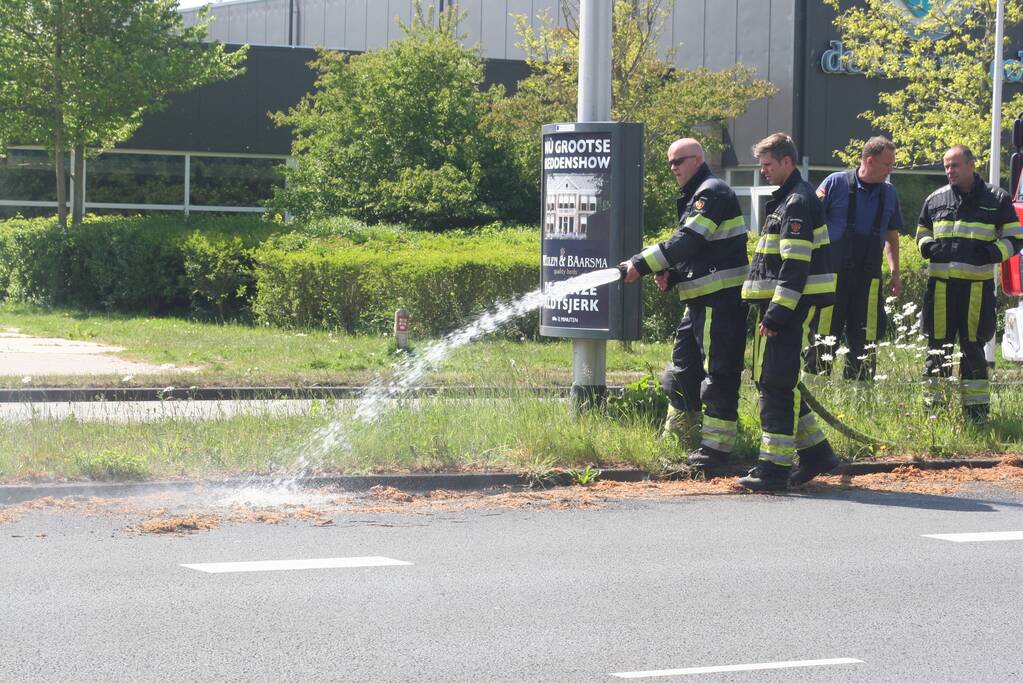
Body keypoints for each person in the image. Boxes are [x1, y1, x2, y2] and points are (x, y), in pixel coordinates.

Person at [619, 138, 748, 472]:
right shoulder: (695, 195)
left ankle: (716, 452)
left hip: (720, 302)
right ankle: (681, 437)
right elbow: (698, 251)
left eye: (679, 161)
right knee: (682, 370)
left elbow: (690, 239)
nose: (673, 168)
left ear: (698, 159)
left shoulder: (712, 192)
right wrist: (673, 273)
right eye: (669, 163)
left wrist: (640, 263)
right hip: (700, 302)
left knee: (718, 374)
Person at [739, 133, 838, 491]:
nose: (763, 171)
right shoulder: (788, 199)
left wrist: (776, 314)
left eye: (767, 164)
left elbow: (794, 265)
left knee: (776, 385)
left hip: (788, 309)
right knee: (779, 381)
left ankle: (774, 469)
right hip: (785, 306)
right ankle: (816, 454)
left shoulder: (795, 202)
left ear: (786, 162)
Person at [917, 145, 1023, 421]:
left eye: (955, 165)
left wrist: (992, 253)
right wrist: (926, 246)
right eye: (946, 167)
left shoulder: (997, 198)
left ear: (971, 165)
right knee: (937, 349)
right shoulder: (935, 199)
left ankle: (976, 415)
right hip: (939, 290)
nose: (950, 171)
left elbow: (1015, 238)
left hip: (976, 290)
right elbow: (921, 232)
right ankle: (933, 414)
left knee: (973, 351)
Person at [805, 136, 903, 381]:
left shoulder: (889, 193)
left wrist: (895, 272)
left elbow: (892, 236)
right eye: (887, 165)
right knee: (824, 334)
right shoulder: (835, 183)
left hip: (868, 280)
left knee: (866, 337)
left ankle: (860, 394)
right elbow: (810, 223)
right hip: (832, 277)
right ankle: (817, 390)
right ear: (870, 161)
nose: (890, 170)